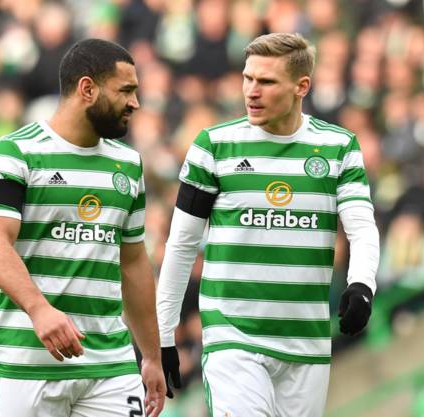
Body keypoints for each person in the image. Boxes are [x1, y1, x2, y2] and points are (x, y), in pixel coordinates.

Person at [156, 33, 379, 417]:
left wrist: (362, 284)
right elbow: (181, 243)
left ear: (301, 87)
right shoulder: (214, 146)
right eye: (248, 78)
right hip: (233, 338)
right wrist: (163, 332)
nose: (251, 91)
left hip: (306, 342)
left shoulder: (338, 148)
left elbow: (361, 228)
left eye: (266, 81)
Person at [0, 39, 166, 417]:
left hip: (110, 365)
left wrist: (152, 356)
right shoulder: (15, 153)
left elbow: (133, 263)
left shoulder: (129, 165)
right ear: (87, 89)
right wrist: (39, 310)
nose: (135, 103)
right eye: (126, 90)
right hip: (27, 362)